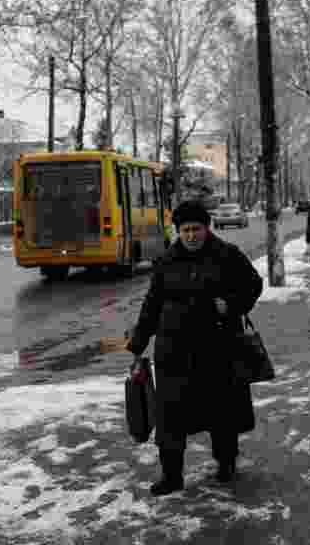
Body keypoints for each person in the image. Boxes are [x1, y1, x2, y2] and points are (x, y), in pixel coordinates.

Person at [127, 199, 264, 496]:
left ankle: (226, 463)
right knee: (169, 417)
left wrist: (231, 304)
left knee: (221, 412)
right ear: (178, 231)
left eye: (196, 229)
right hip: (173, 352)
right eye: (185, 230)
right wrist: (139, 340)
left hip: (216, 349)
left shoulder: (227, 255)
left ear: (206, 228)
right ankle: (172, 475)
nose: (191, 235)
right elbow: (152, 304)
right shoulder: (166, 260)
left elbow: (253, 284)